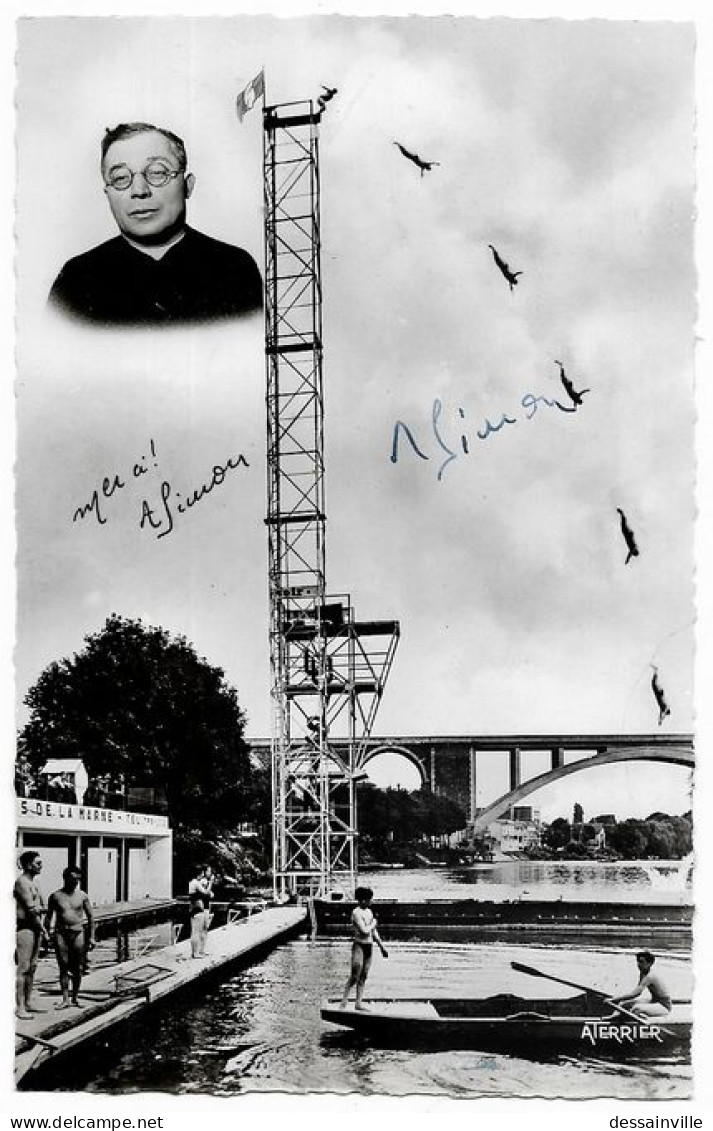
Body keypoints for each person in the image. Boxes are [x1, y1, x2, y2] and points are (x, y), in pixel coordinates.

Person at [49, 121, 262, 325]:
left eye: (157, 173)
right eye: (121, 178)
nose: (140, 191)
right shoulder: (76, 280)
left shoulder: (233, 268)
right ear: (108, 193)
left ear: (188, 186)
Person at [45, 867, 95, 1010]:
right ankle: (65, 999)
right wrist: (47, 933)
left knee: (78, 967)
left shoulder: (82, 896)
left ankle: (75, 997)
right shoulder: (55, 896)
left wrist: (92, 937)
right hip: (61, 934)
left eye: (78, 879)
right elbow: (49, 917)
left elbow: (91, 917)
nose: (76, 882)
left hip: (78, 932)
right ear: (65, 878)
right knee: (63, 966)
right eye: (73, 879)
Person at [340, 886, 388, 1010]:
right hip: (359, 945)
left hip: (369, 946)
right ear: (362, 900)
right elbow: (365, 930)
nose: (371, 901)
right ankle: (343, 1002)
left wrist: (382, 946)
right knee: (355, 975)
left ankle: (358, 1003)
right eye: (369, 899)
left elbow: (373, 932)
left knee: (364, 976)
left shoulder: (369, 912)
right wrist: (374, 923)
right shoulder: (356, 913)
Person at [14, 850, 48, 1020]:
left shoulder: (34, 883)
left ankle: (27, 1001)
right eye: (38, 863)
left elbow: (41, 906)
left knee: (33, 967)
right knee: (23, 967)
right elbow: (31, 909)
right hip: (25, 927)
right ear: (28, 865)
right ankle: (19, 1007)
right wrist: (44, 929)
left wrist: (42, 926)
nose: (41, 866)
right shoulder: (22, 882)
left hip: (35, 926)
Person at [610, 951, 672, 1018]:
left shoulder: (650, 976)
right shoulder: (643, 974)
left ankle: (621, 1021)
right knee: (624, 1005)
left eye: (641, 962)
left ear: (650, 964)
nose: (638, 964)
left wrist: (614, 1000)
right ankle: (613, 1018)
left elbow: (636, 994)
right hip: (654, 1001)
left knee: (637, 1009)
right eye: (638, 961)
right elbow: (635, 991)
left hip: (664, 1006)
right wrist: (618, 1000)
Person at [188, 865, 214, 958]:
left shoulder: (193, 882)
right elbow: (206, 892)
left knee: (198, 931)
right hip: (197, 909)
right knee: (196, 932)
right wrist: (211, 882)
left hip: (197, 908)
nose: (202, 875)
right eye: (202, 873)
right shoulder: (195, 882)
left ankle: (197, 952)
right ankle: (195, 953)